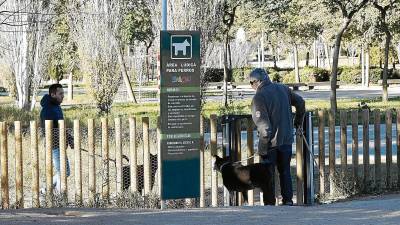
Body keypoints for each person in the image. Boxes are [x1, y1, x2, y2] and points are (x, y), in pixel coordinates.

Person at [249, 68, 305, 206]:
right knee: (285, 171)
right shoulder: (283, 89)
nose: (251, 86)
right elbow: (301, 103)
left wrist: (262, 147)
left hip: (270, 143)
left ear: (257, 81)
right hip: (286, 140)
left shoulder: (259, 97)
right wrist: (298, 122)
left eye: (251, 83)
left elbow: (265, 127)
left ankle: (270, 204)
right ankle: (288, 201)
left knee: (268, 175)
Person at [40, 83, 73, 193]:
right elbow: (50, 130)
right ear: (53, 94)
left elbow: (61, 126)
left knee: (65, 172)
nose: (63, 96)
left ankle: (45, 190)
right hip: (54, 145)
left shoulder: (56, 107)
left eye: (63, 93)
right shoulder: (48, 109)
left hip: (60, 144)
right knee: (63, 172)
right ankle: (58, 197)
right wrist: (64, 138)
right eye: (60, 93)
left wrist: (69, 138)